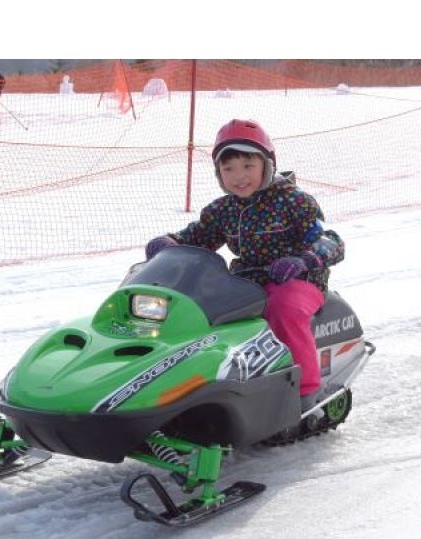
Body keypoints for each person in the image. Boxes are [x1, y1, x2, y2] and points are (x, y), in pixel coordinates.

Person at [145, 119, 344, 410]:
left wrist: (303, 260)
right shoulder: (221, 210)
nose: (239, 176)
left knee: (283, 310)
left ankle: (304, 392)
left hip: (297, 280)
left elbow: (330, 240)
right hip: (246, 283)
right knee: (200, 315)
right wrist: (170, 242)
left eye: (248, 166)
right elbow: (198, 237)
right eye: (229, 169)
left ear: (268, 165)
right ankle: (212, 386)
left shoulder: (294, 201)